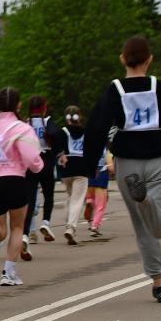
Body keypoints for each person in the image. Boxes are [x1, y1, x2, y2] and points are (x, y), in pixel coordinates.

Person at [81, 36, 161, 304]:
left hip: (127, 163)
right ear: (149, 60)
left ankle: (158, 282)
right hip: (160, 158)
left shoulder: (114, 90)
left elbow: (96, 126)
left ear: (122, 59)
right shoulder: (159, 87)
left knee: (142, 226)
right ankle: (146, 200)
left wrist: (90, 164)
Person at [0, 87, 44, 288]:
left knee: (0, 232)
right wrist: (38, 167)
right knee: (17, 228)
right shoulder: (22, 128)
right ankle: (8, 273)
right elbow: (32, 158)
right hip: (15, 180)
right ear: (18, 105)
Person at [21, 96, 59, 246]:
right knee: (48, 195)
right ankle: (46, 222)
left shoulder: (26, 124)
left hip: (30, 161)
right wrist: (57, 151)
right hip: (46, 159)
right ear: (44, 108)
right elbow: (54, 134)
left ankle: (25, 234)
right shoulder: (48, 121)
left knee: (29, 200)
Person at [55, 104, 90, 245]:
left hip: (66, 169)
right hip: (81, 168)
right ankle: (71, 227)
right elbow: (91, 149)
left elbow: (56, 147)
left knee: (71, 197)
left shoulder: (62, 132)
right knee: (77, 199)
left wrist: (61, 156)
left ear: (66, 118)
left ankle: (68, 222)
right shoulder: (86, 132)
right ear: (79, 116)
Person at [87, 151, 114, 235]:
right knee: (100, 205)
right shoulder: (106, 152)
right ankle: (95, 226)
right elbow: (111, 168)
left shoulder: (88, 148)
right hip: (101, 178)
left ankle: (89, 201)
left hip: (89, 178)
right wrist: (111, 172)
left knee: (90, 196)